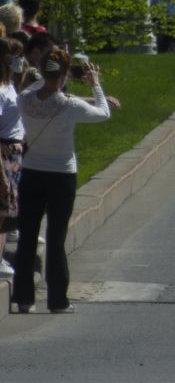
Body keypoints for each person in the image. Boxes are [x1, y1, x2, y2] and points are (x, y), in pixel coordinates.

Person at [11, 49, 112, 313]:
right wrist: (95, 84)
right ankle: (57, 301)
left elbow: (34, 88)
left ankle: (23, 299)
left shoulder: (25, 99)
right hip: (62, 175)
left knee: (27, 237)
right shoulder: (69, 105)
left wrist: (41, 75)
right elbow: (103, 113)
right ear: (65, 74)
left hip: (31, 172)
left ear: (44, 72)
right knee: (55, 237)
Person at [0, 40, 23, 283]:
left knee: (9, 207)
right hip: (4, 150)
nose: (19, 60)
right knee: (2, 206)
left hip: (15, 152)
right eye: (14, 56)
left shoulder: (9, 85)